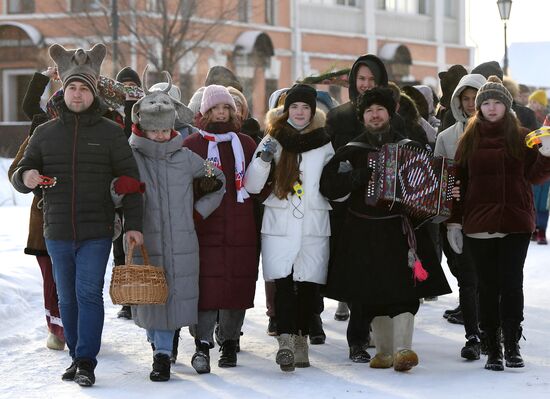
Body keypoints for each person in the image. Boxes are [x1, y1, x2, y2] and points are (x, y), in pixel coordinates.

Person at [10, 43, 144, 387]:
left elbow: (131, 184)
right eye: (72, 87)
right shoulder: (44, 133)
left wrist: (134, 227)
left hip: (97, 230)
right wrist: (26, 177)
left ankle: (86, 360)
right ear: (63, 90)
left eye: (84, 87)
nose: (78, 93)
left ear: (93, 92)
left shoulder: (112, 133)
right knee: (66, 297)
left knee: (87, 294)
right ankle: (75, 356)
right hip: (56, 230)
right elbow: (21, 171)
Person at [320, 87, 451, 372]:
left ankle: (404, 349)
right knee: (370, 293)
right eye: (369, 111)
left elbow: (431, 187)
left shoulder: (410, 146)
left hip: (400, 233)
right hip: (362, 234)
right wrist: (356, 177)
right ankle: (383, 352)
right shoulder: (350, 151)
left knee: (404, 292)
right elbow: (327, 187)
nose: (375, 115)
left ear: (389, 114)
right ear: (362, 117)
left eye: (380, 110)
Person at [125, 71, 225, 381]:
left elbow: (218, 180)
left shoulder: (187, 158)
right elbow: (114, 190)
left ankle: (162, 355)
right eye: (152, 129)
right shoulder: (130, 157)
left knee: (173, 296)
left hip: (183, 239)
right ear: (141, 126)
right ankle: (160, 347)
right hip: (144, 240)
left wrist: (197, 213)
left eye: (164, 129)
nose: (158, 135)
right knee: (151, 297)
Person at [447, 76, 550, 371]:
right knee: (487, 287)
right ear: (479, 108)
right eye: (486, 103)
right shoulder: (468, 140)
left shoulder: (521, 136)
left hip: (515, 221)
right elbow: (458, 184)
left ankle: (512, 343)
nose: (491, 108)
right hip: (479, 224)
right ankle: (492, 346)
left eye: (497, 102)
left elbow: (535, 176)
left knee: (512, 284)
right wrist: (454, 222)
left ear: (506, 106)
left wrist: (546, 154)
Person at [244, 84, 334, 372]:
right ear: (286, 110)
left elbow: (334, 186)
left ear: (313, 111)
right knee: (282, 282)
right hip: (280, 220)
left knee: (308, 285)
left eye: (305, 107)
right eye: (294, 107)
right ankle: (284, 340)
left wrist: (346, 176)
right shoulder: (273, 139)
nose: (299, 112)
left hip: (313, 222)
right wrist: (264, 160)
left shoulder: (324, 142)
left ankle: (300, 338)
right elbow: (252, 184)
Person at [183, 84, 258, 374]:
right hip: (204, 225)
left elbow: (257, 186)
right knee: (205, 285)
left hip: (241, 225)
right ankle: (201, 343)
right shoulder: (192, 145)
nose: (221, 113)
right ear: (204, 112)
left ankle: (230, 340)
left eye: (226, 108)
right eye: (215, 108)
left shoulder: (246, 144)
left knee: (237, 283)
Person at [324, 53, 390, 362]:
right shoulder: (338, 117)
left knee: (384, 273)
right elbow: (331, 164)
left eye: (371, 80)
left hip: (387, 209)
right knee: (358, 273)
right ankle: (358, 337)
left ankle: (384, 331)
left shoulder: (393, 117)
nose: (365, 85)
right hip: (350, 207)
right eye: (361, 79)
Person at [8, 67, 65, 351]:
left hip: (79, 219)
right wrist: (43, 76)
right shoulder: (39, 128)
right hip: (43, 218)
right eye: (59, 109)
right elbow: (15, 171)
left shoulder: (88, 130)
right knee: (50, 277)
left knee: (76, 279)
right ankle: (56, 329)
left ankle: (78, 327)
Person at [435, 73, 486, 359]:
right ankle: (473, 336)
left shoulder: (499, 134)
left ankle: (494, 331)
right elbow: (440, 181)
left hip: (491, 218)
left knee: (492, 279)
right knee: (467, 279)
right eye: (465, 99)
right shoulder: (446, 136)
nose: (470, 104)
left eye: (474, 98)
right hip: (461, 219)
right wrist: (449, 221)